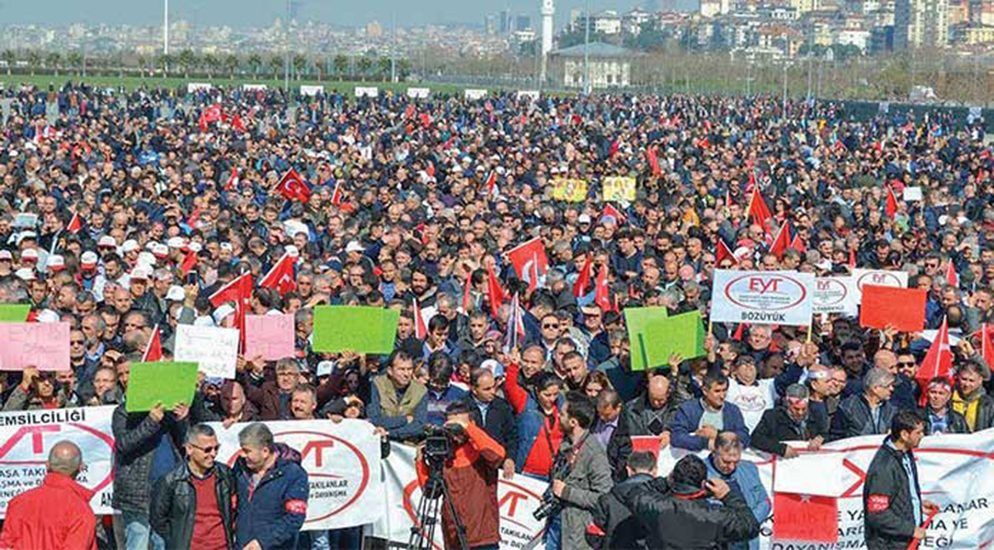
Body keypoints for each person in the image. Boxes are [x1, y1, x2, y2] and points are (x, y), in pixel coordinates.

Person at [415, 401, 505, 550]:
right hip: (453, 536)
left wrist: (467, 427)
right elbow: (430, 492)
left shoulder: (480, 450)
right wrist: (420, 462)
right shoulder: (444, 453)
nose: (455, 433)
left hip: (482, 536)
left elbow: (498, 455)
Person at [625, 454, 760, 550]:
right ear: (703, 484)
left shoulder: (657, 506)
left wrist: (665, 481)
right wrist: (729, 496)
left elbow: (634, 492)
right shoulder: (715, 515)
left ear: (673, 478)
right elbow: (750, 526)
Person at [112, 400, 190, 550]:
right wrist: (151, 421)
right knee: (138, 543)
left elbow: (184, 443)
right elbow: (124, 444)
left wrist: (182, 420)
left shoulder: (168, 409)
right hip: (137, 493)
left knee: (164, 544)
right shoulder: (124, 411)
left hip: (168, 490)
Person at [150, 424, 236, 550]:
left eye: (216, 448)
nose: (213, 454)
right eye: (207, 449)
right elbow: (157, 519)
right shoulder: (171, 480)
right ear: (189, 449)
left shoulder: (225, 475)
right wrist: (177, 539)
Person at [0, 440, 97, 550]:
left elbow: (5, 545)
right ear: (81, 468)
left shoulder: (18, 502)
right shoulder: (81, 511)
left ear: (47, 465)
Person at [863, 411, 939, 550]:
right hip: (889, 545)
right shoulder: (884, 467)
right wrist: (911, 530)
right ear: (904, 435)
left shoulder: (905, 454)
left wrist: (915, 505)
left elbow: (898, 494)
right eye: (918, 433)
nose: (922, 436)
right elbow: (877, 514)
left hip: (904, 542)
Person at [550, 392, 612, 550]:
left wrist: (567, 492)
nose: (558, 416)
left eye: (562, 414)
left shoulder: (594, 453)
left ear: (573, 422)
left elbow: (603, 498)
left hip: (578, 534)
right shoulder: (565, 446)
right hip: (557, 523)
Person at [233, 422, 309, 550]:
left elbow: (294, 518)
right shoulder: (240, 467)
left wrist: (262, 542)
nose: (242, 455)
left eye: (247, 451)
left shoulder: (293, 474)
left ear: (265, 451)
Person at [705, 432, 770, 550]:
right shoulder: (700, 472)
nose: (731, 467)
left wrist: (747, 523)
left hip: (748, 542)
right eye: (726, 461)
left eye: (736, 461)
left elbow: (765, 502)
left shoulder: (750, 468)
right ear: (714, 452)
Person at [588, 451, 656, 550]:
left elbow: (593, 532)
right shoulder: (664, 500)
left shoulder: (608, 499)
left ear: (628, 470)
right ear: (655, 470)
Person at [670, 373, 750, 451]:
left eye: (724, 390)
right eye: (717, 391)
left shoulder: (732, 410)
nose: (722, 396)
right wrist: (706, 443)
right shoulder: (688, 409)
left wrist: (718, 435)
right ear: (705, 391)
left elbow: (745, 438)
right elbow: (677, 437)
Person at [462, 366, 518, 478]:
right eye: (487, 389)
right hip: (469, 466)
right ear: (474, 389)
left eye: (493, 387)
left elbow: (511, 436)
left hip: (496, 466)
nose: (492, 392)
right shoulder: (461, 407)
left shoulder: (502, 407)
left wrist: (510, 458)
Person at [750, 384, 828, 457]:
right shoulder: (772, 416)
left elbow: (826, 434)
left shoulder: (816, 414)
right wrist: (780, 449)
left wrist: (820, 438)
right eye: (796, 409)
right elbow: (756, 438)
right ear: (787, 404)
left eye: (804, 409)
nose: (800, 413)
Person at [367, 350, 428, 441]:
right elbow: (375, 419)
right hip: (379, 441)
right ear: (390, 371)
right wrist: (404, 420)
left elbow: (419, 425)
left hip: (408, 444)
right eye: (401, 369)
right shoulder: (377, 384)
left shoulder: (421, 391)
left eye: (409, 369)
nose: (406, 374)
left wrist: (390, 433)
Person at [830, 368, 897, 441]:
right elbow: (836, 435)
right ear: (875, 388)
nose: (892, 389)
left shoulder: (891, 409)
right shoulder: (848, 407)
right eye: (888, 386)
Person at [951, 361, 994, 432]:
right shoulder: (947, 400)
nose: (967, 384)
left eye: (971, 381)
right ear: (958, 377)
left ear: (980, 381)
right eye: (964, 379)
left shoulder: (988, 404)